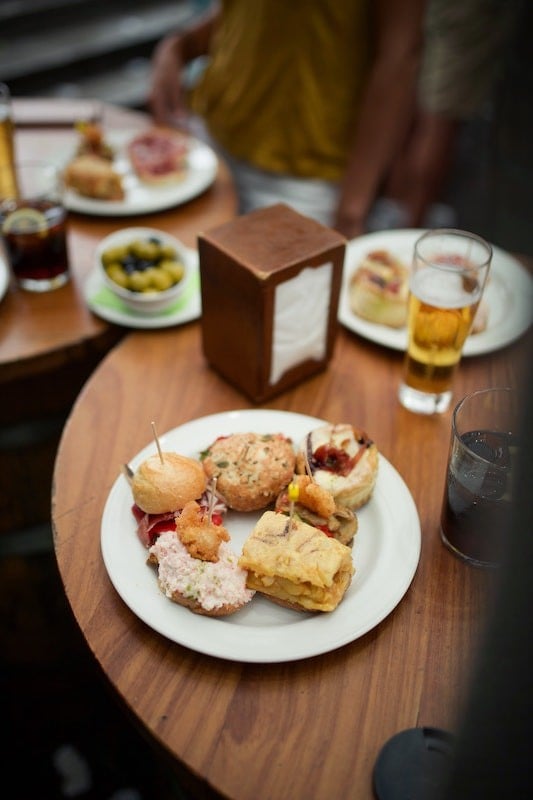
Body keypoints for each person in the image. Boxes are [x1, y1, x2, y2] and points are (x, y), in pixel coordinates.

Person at [148, 0, 426, 238]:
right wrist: (180, 45)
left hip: (303, 176)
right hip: (210, 139)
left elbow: (400, 56)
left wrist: (352, 210)